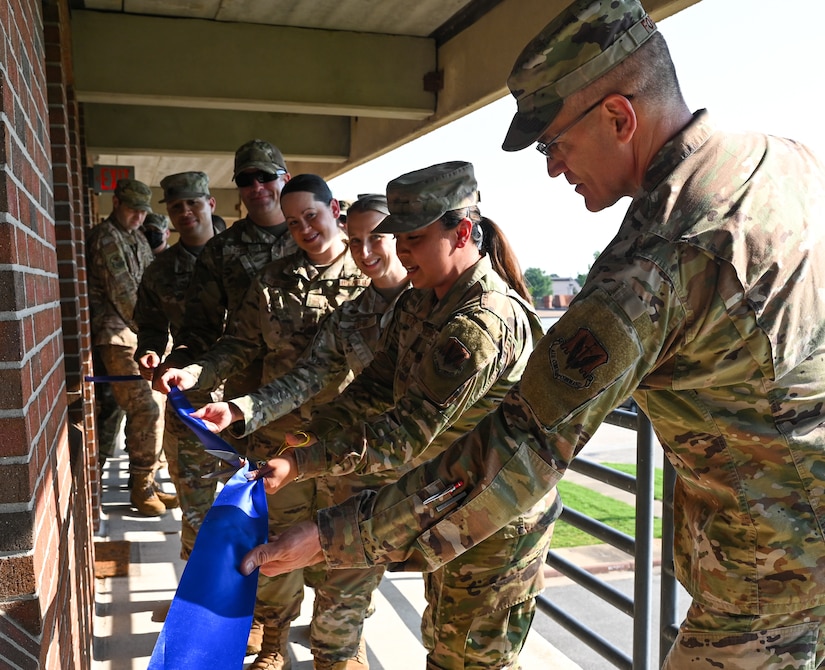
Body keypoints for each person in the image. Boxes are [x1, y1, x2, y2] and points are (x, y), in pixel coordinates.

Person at [240, 1, 825, 668]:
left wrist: (331, 535)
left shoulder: (657, 260)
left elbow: (520, 446)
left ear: (618, 117)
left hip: (770, 585)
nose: (551, 168)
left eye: (553, 143)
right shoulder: (787, 162)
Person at [235, 161, 560, 669]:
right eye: (399, 237)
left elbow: (404, 432)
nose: (400, 250)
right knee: (444, 646)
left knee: (472, 659)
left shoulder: (481, 319)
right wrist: (301, 442)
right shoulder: (420, 304)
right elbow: (372, 389)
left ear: (463, 233)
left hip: (496, 520)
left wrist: (303, 465)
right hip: (451, 504)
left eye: (413, 237)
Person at [156, 174, 370, 670]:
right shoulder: (274, 279)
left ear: (334, 209)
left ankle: (345, 646)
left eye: (311, 217)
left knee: (349, 546)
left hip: (348, 446)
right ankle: (273, 640)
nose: (303, 230)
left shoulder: (372, 278)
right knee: (275, 549)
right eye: (293, 223)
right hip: (280, 439)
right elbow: (239, 345)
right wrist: (192, 372)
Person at [191, 193, 409, 670]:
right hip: (322, 446)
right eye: (358, 241)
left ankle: (346, 645)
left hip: (409, 466)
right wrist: (239, 408)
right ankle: (285, 642)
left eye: (378, 237)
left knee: (357, 565)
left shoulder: (433, 305)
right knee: (301, 551)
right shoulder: (352, 315)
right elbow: (304, 377)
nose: (366, 250)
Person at [133, 171, 222, 560]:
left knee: (266, 502)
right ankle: (198, 602)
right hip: (191, 400)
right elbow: (151, 327)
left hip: (253, 397)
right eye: (176, 206)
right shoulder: (160, 270)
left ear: (210, 204)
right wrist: (148, 352)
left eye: (193, 203)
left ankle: (260, 608)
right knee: (196, 503)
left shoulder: (240, 257)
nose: (185, 212)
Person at [86, 178, 175, 516]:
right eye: (133, 210)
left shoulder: (136, 237)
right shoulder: (106, 238)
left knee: (156, 402)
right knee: (146, 406)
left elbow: (151, 288)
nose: (139, 217)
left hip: (139, 335)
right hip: (116, 336)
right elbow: (125, 297)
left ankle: (147, 481)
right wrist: (156, 333)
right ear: (116, 204)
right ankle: (140, 486)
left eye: (143, 212)